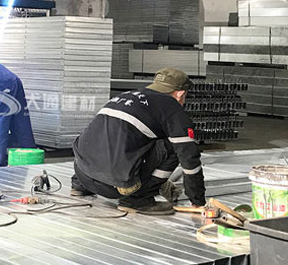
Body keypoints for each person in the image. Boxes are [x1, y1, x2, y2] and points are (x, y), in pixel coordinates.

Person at [70, 67, 205, 215]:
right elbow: (189, 158)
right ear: (180, 94)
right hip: (113, 187)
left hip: (83, 175)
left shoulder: (126, 97)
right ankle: (138, 199)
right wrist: (197, 200)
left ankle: (78, 186)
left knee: (104, 133)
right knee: (174, 146)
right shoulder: (172, 107)